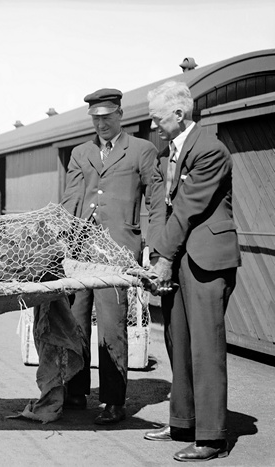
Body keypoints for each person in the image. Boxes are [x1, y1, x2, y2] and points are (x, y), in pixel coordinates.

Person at [143, 81, 240, 462]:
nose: (153, 126)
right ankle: (182, 421)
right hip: (179, 255)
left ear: (179, 115)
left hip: (206, 260)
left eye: (157, 118)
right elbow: (161, 207)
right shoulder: (170, 151)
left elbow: (186, 208)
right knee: (177, 343)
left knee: (205, 348)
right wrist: (156, 254)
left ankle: (212, 438)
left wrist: (163, 257)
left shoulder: (210, 150)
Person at [60, 88, 159, 425]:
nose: (100, 124)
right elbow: (71, 200)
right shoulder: (80, 152)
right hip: (80, 251)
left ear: (120, 114)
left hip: (115, 253)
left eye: (106, 117)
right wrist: (61, 243)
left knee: (112, 326)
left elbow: (156, 203)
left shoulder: (142, 151)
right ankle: (75, 391)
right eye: (95, 119)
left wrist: (155, 248)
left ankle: (114, 400)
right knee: (74, 321)